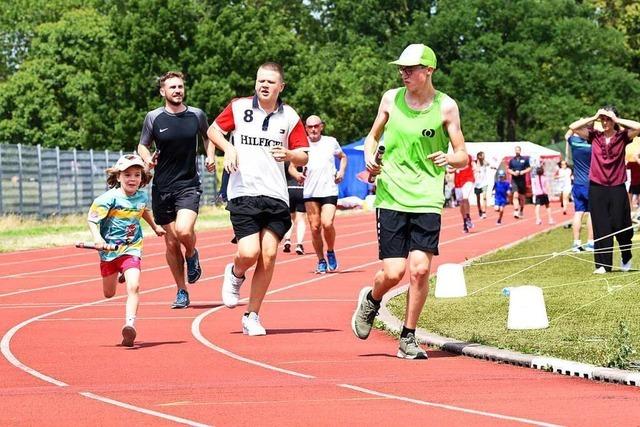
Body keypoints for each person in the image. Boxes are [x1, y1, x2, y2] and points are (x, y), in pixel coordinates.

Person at [351, 44, 468, 359]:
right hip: (391, 194)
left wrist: (450, 158)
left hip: (427, 197)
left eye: (410, 68)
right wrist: (368, 158)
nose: (404, 73)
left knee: (418, 271)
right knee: (393, 273)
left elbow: (463, 155)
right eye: (401, 68)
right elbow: (372, 138)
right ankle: (372, 300)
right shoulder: (390, 98)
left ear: (428, 70)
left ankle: (408, 337)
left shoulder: (446, 107)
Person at [208, 62, 309, 336]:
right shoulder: (239, 107)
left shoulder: (289, 116)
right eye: (260, 80)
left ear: (281, 87)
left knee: (269, 254)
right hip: (244, 192)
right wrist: (228, 147)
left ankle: (252, 315)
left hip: (276, 194)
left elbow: (303, 154)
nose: (264, 85)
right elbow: (213, 130)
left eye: (270, 82)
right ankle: (235, 273)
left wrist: (289, 155)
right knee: (249, 252)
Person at [137, 71, 215, 309]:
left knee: (183, 230)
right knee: (170, 243)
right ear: (163, 91)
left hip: (188, 183)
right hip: (162, 187)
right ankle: (181, 290)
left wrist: (210, 155)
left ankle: (192, 253)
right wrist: (147, 159)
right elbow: (142, 144)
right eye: (172, 87)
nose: (178, 90)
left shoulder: (196, 115)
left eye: (180, 86)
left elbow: (209, 136)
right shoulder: (154, 118)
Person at [87, 154, 166, 347]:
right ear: (118, 177)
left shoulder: (141, 196)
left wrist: (155, 227)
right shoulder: (108, 198)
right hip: (109, 252)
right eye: (128, 174)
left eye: (137, 175)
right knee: (109, 293)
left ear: (142, 178)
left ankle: (129, 326)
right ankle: (118, 273)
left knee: (134, 286)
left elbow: (143, 210)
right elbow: (92, 219)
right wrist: (98, 238)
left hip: (131, 248)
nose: (133, 179)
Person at [569, 106, 640, 274]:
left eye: (608, 119)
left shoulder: (622, 136)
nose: (605, 121)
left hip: (617, 186)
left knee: (620, 224)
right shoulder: (594, 136)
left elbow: (638, 126)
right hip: (597, 186)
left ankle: (626, 255)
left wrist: (615, 119)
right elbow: (573, 127)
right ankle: (603, 265)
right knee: (601, 226)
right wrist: (594, 117)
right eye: (604, 119)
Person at [302, 115, 348, 273]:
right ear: (306, 128)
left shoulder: (330, 141)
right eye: (310, 127)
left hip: (329, 189)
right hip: (310, 191)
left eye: (316, 126)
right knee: (315, 228)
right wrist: (296, 175)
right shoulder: (301, 144)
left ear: (321, 126)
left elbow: (343, 157)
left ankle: (330, 251)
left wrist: (341, 171)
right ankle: (321, 259)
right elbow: (292, 167)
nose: (313, 129)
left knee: (327, 223)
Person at [565, 127, 594, 252]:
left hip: (577, 183)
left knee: (578, 212)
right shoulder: (592, 144)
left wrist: (576, 127)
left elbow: (568, 133)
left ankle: (576, 243)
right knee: (593, 213)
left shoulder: (574, 142)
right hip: (590, 183)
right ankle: (591, 242)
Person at [282, 161, 307, 255]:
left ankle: (287, 239)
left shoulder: (287, 160)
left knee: (290, 217)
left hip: (289, 190)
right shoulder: (305, 159)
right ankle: (299, 244)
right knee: (301, 219)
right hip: (302, 189)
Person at [452, 154, 475, 232]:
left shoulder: (468, 156)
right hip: (458, 182)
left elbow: (473, 165)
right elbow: (450, 170)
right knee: (461, 203)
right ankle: (465, 222)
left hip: (468, 180)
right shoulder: (453, 158)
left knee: (465, 197)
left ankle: (468, 217)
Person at [507, 146, 531, 218]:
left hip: (522, 180)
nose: (517, 151)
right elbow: (509, 169)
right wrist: (513, 173)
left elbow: (529, 168)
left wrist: (522, 172)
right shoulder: (512, 160)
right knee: (515, 195)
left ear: (520, 151)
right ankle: (516, 210)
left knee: (522, 198)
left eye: (518, 150)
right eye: (516, 150)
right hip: (514, 180)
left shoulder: (525, 159)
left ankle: (521, 210)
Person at [473, 151, 493, 218]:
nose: (484, 157)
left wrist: (483, 160)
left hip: (484, 183)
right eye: (482, 156)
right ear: (479, 156)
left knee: (484, 197)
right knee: (478, 198)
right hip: (476, 183)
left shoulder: (484, 163)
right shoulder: (474, 163)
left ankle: (484, 212)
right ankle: (480, 210)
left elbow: (488, 164)